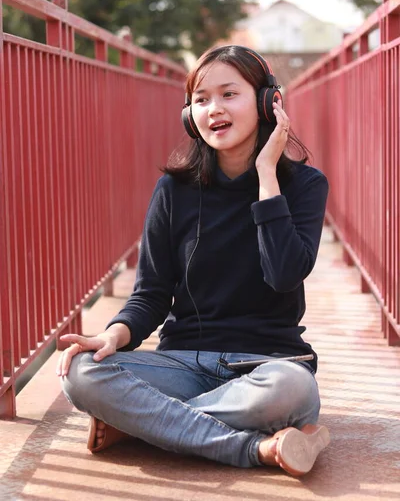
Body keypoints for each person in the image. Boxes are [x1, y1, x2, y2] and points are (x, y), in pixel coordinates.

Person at [57, 44, 330, 477]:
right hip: (183, 362)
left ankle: (140, 424)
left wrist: (265, 175)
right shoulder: (173, 191)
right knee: (81, 372)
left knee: (293, 390)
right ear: (189, 114)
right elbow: (151, 293)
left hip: (266, 367)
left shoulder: (304, 186)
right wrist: (114, 334)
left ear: (267, 102)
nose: (213, 109)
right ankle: (256, 449)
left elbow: (283, 275)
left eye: (228, 94)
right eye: (201, 99)